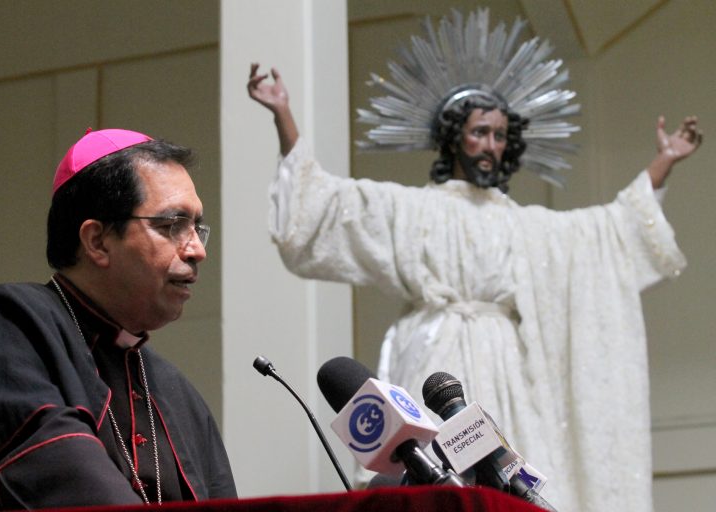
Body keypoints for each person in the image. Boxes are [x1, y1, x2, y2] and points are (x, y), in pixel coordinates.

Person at [247, 42, 701, 512]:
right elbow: (329, 205)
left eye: (500, 135)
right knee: (424, 477)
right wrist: (284, 116)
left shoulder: (522, 224)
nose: (490, 145)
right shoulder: (413, 209)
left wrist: (662, 163)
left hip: (506, 367)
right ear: (453, 138)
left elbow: (605, 234)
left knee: (508, 479)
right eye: (479, 132)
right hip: (433, 356)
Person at [0, 128, 237, 510]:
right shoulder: (9, 323)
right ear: (97, 241)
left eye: (197, 228)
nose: (197, 250)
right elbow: (58, 483)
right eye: (172, 225)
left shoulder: (178, 393)